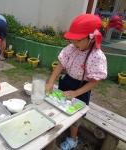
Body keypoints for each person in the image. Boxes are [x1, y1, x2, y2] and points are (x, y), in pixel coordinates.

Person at [46, 14, 107, 150]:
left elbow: (94, 81)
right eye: (72, 41)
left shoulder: (96, 56)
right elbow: (60, 65)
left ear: (91, 38)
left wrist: (76, 92)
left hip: (81, 88)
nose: (74, 44)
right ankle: (58, 127)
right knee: (59, 106)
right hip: (67, 81)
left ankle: (73, 139)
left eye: (78, 41)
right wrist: (50, 81)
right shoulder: (72, 48)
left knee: (76, 117)